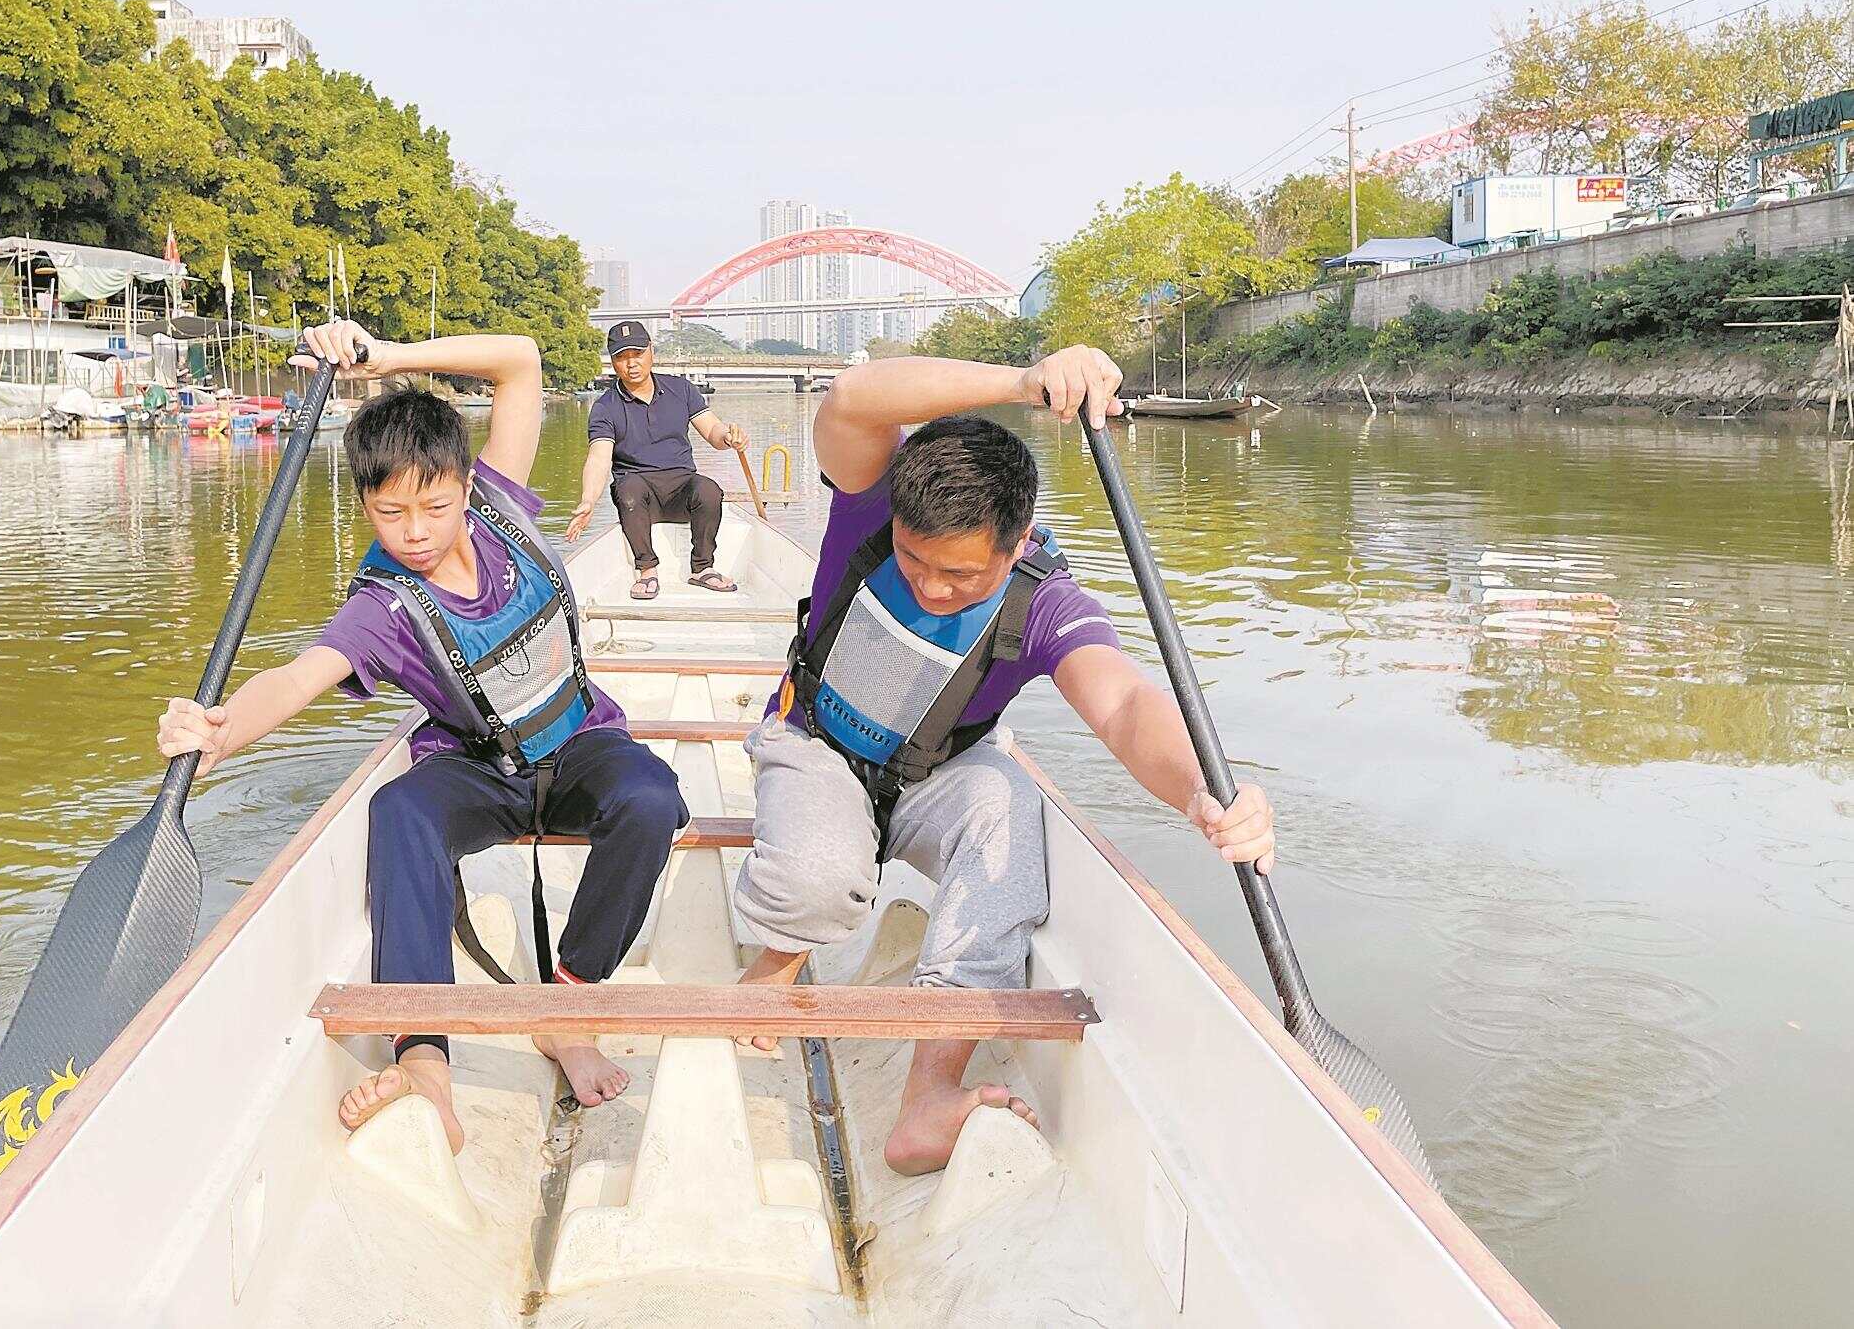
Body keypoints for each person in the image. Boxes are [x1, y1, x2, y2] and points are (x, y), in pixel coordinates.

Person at [732, 348, 1277, 1175]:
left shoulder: (1046, 600)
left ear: (1018, 539)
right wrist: (1022, 384)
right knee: (817, 876)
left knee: (1009, 808)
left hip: (936, 778)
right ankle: (775, 965)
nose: (930, 586)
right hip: (816, 748)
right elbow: (852, 398)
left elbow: (1126, 706)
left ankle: (928, 1094)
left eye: (959, 573)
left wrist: (1204, 788)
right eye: (915, 562)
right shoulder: (869, 505)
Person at [156, 320, 689, 1154]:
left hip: (581, 740)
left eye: (435, 505)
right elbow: (298, 678)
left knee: (655, 796)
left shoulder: (500, 505)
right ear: (365, 504)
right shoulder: (383, 605)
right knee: (401, 809)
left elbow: (519, 361)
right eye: (390, 511)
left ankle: (567, 1002)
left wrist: (388, 360)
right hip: (480, 770)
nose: (415, 529)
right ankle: (424, 1056)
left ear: (466, 482)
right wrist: (221, 732)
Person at [565, 319, 750, 599]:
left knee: (708, 489)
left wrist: (728, 437)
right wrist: (589, 500)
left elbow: (712, 429)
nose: (631, 364)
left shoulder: (681, 390)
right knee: (627, 490)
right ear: (612, 362)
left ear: (651, 351)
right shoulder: (605, 407)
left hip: (681, 487)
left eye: (637, 354)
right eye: (622, 357)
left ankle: (702, 568)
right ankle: (647, 571)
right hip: (639, 496)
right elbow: (599, 458)